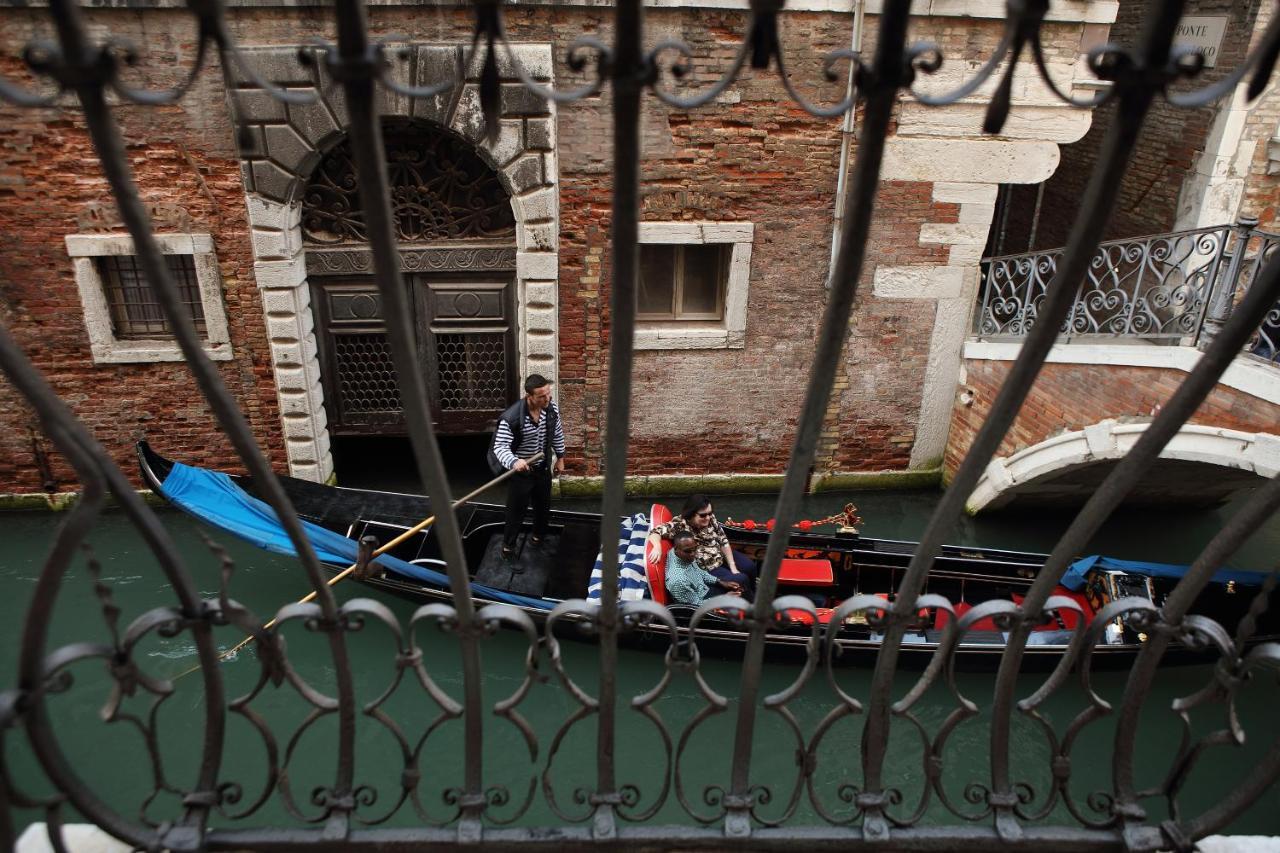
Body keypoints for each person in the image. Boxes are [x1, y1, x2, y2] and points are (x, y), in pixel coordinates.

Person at [489, 374, 566, 563]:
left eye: (548, 394)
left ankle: (537, 539)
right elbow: (500, 447)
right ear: (529, 396)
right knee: (516, 512)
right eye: (542, 396)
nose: (547, 399)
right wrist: (515, 461)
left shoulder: (551, 408)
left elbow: (557, 432)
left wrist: (560, 457)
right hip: (521, 472)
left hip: (541, 468)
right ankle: (508, 549)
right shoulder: (511, 417)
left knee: (543, 507)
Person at [646, 494, 756, 595]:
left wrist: (733, 567)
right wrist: (657, 546)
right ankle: (751, 603)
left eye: (710, 513)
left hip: (719, 554)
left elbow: (723, 540)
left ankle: (753, 592)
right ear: (691, 514)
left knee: (749, 566)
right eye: (703, 515)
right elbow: (655, 532)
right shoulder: (679, 526)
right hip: (707, 568)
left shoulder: (709, 518)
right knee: (741, 579)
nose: (708, 518)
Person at [665, 530, 743, 605]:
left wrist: (719, 582)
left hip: (704, 589)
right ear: (676, 549)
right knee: (740, 592)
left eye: (694, 549)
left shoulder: (680, 553)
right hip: (702, 604)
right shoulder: (678, 581)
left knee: (739, 585)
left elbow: (700, 572)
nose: (693, 554)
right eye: (688, 551)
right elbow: (695, 606)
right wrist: (724, 599)